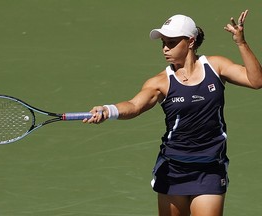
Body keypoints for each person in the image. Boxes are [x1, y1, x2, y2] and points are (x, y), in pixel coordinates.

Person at [84, 10, 262, 216]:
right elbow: (134, 105)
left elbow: (256, 81)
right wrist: (108, 110)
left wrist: (241, 43)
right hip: (173, 169)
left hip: (210, 168)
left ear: (190, 42)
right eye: (163, 43)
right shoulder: (161, 82)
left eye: (171, 42)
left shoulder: (216, 66)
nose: (165, 49)